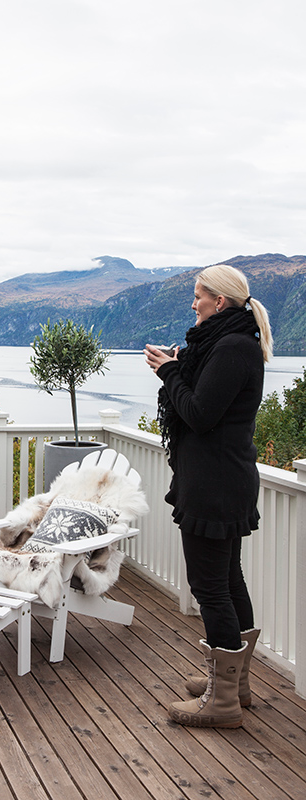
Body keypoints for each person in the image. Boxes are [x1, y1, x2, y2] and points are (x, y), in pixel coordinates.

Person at [144, 264, 273, 728]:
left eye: (198, 295)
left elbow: (199, 414)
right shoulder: (231, 343)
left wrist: (170, 372)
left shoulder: (234, 347)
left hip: (215, 485)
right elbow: (203, 403)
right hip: (222, 480)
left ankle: (222, 704)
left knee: (211, 589)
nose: (192, 303)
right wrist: (179, 369)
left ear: (220, 302)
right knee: (228, 580)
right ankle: (234, 684)